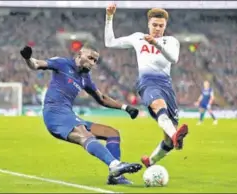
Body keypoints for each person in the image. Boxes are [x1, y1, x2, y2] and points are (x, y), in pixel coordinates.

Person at [19, 45, 142, 185]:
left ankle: (115, 177)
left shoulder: (85, 78)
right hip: (55, 113)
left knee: (112, 133)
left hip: (68, 115)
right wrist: (28, 58)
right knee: (85, 135)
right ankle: (115, 165)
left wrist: (125, 107)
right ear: (79, 55)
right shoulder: (62, 63)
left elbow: (101, 98)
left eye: (95, 61)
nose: (93, 63)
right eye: (90, 58)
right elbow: (36, 64)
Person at [104, 4, 189, 168]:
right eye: (155, 25)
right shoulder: (138, 38)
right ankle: (175, 135)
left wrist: (156, 44)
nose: (157, 28)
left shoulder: (171, 41)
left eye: (161, 26)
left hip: (166, 86)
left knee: (167, 141)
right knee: (159, 105)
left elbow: (174, 59)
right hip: (147, 82)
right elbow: (110, 42)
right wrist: (109, 17)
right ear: (148, 24)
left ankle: (151, 161)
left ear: (165, 26)